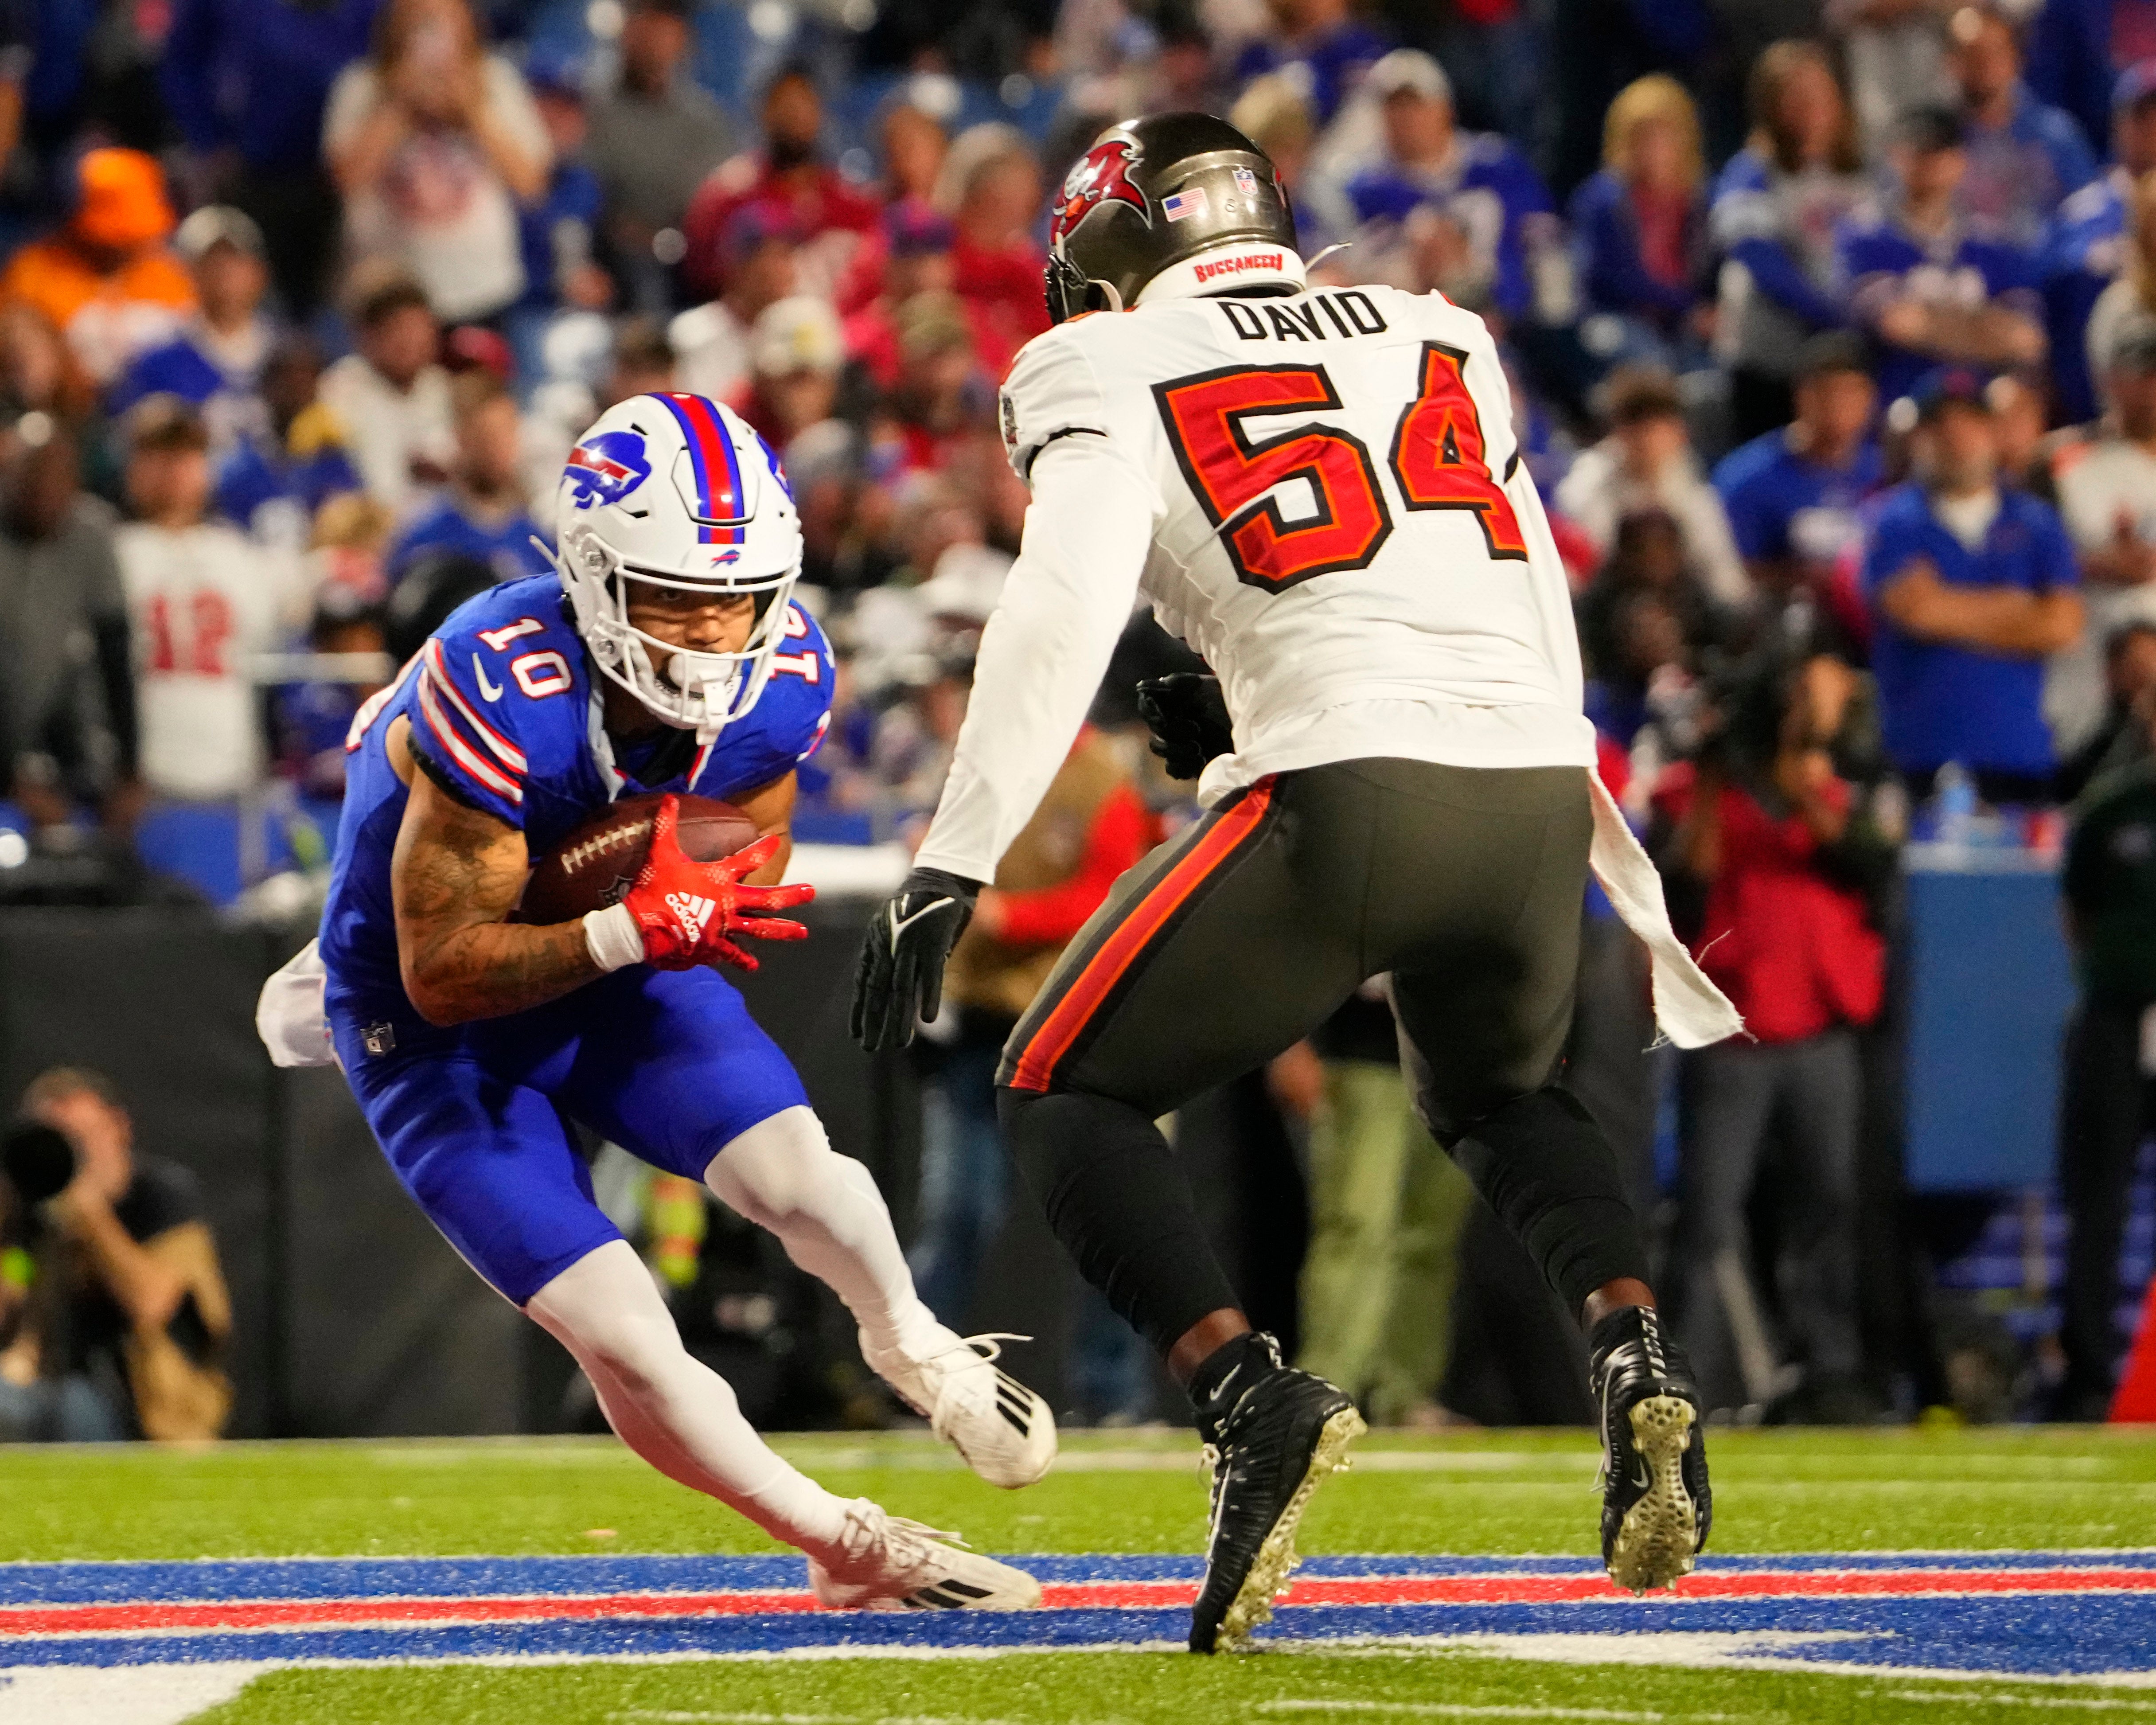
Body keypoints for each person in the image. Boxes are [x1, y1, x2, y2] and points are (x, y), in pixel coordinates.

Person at [849, 113, 1740, 1655]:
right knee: (1500, 1097)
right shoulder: (1439, 331)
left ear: (1114, 251)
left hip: (1349, 779)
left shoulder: (1099, 360)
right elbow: (1519, 589)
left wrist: (954, 853)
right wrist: (1590, 839)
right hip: (1529, 778)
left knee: (1062, 1086)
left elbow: (1056, 604)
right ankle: (1634, 1356)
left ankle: (1249, 1400)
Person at [268, 390, 1054, 1612]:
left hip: (611, 956)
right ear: (589, 576)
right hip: (427, 1015)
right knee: (624, 1331)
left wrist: (684, 900)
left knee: (803, 1171)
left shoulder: (786, 669)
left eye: (738, 594)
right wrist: (628, 916)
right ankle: (844, 1544)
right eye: (676, 594)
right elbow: (443, 967)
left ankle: (904, 1331)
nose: (714, 630)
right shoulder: (501, 678)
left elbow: (754, 850)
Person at [1654, 652, 1892, 1422]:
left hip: (1821, 1026)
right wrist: (1722, 768)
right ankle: (1674, 1382)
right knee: (1707, 1213)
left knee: (1828, 1204)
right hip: (1737, 1030)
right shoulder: (1701, 795)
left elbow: (1866, 862)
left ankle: (1831, 1368)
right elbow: (1687, 884)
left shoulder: (1825, 788)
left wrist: (1792, 761)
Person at [1861, 367, 2084, 803]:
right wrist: (2019, 608)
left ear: (1992, 432)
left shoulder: (2036, 523)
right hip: (1917, 755)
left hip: (2019, 753)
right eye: (1939, 426)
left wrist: (1947, 605)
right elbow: (1915, 612)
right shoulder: (1890, 520)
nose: (1955, 438)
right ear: (1916, 438)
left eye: (1969, 423)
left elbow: (2061, 626)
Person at [0, 1067, 232, 1442]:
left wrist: (92, 1216)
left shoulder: (158, 1197)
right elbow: (14, 1291)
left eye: (82, 1138)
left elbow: (154, 1302)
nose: (72, 1153)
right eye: (56, 1141)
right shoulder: (33, 1210)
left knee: (72, 1409)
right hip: (42, 1385)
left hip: (147, 1400)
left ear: (118, 1128)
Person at [114, 396, 299, 803]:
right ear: (133, 468)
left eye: (186, 456)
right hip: (145, 776)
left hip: (232, 769)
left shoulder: (237, 555)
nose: (173, 470)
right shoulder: (113, 552)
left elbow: (266, 656)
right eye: (159, 456)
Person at [322, 0, 551, 324]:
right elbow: (345, 181)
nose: (432, 29)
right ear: (396, 25)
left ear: (466, 23)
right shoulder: (361, 84)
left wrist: (473, 112)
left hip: (479, 290)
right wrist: (398, 106)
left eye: (443, 17)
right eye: (419, 18)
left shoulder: (497, 79)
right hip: (385, 294)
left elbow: (532, 184)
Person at [2055, 706, 2156, 1417]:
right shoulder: (2113, 807)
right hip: (2119, 1016)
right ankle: (2089, 1372)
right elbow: (2076, 913)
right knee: (2100, 1196)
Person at [158, 0, 380, 318]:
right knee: (251, 308)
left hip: (348, 179)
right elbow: (181, 61)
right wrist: (209, 139)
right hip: (251, 170)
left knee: (337, 313)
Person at [1710, 42, 1872, 443]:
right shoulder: (1750, 173)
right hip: (1770, 366)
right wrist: (1840, 312)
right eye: (1794, 95)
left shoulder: (1866, 171)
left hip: (1848, 368)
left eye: (1818, 91)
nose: (1810, 105)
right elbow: (1756, 257)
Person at [1836, 105, 2047, 412]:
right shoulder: (1864, 236)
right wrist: (1983, 327)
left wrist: (1929, 321)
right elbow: (1897, 323)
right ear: (1894, 156)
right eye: (1918, 151)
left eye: (1940, 151)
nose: (1930, 163)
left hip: (1981, 415)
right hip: (1897, 411)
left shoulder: (1992, 242)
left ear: (1961, 161)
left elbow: (2026, 339)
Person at [1340, 50, 1561, 328]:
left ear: (1446, 109)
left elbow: (1545, 244)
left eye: (1417, 105)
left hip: (1516, 324)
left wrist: (1546, 317)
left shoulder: (1497, 166)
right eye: (1395, 107)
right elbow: (1355, 274)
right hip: (1415, 329)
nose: (1407, 118)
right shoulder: (1363, 189)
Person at [0, 419, 140, 829]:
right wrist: (11, 784)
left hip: (47, 729)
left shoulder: (91, 532)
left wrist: (129, 772)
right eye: (32, 474)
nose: (45, 489)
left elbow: (115, 654)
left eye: (58, 475)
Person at [1712, 331, 1882, 656]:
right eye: (1826, 393)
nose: (1838, 406)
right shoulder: (1746, 478)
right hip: (1785, 633)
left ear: (1869, 400)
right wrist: (1803, 578)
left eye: (1850, 393)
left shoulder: (1884, 473)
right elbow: (1727, 572)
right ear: (1801, 396)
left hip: (1871, 625)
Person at [1554, 366, 1749, 608]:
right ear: (1618, 430)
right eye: (1635, 425)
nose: (1646, 438)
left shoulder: (1692, 490)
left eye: (1655, 425)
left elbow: (1725, 580)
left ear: (1678, 432)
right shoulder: (1588, 484)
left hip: (1681, 615)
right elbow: (1577, 576)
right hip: (1605, 615)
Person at [681, 67, 878, 304]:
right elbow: (703, 279)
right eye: (784, 104)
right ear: (763, 112)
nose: (795, 115)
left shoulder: (854, 203)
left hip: (841, 333)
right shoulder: (729, 194)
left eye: (805, 104)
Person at [0, 148, 196, 387]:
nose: (130, 245)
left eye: (138, 235)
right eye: (121, 235)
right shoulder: (35, 273)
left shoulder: (168, 276)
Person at [584, 0, 733, 314]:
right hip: (609, 253)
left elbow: (713, 202)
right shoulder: (591, 106)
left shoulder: (705, 119)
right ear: (626, 31)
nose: (656, 39)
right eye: (646, 24)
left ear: (684, 39)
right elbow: (583, 191)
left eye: (666, 28)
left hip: (687, 256)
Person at [2049, 331, 2156, 755]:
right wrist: (2091, 564)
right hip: (2098, 658)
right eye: (2142, 375)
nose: (2151, 388)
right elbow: (2019, 558)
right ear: (2110, 380)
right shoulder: (2062, 463)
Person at [1567, 75, 1712, 371]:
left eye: (1665, 136)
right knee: (1643, 357)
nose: (1654, 148)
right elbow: (1613, 279)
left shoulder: (1702, 198)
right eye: (1643, 136)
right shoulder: (1599, 201)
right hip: (1618, 318)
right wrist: (1688, 308)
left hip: (1685, 322)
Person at [110, 207, 278, 461]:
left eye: (234, 260)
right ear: (187, 272)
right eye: (211, 262)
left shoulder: (287, 353)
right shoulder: (157, 362)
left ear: (259, 272)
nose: (224, 272)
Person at [2043, 60, 2156, 424]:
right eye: (2142, 117)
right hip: (2097, 409)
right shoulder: (2082, 213)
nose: (2153, 129)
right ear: (2119, 123)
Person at [1950, 3, 2099, 250]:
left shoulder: (2055, 133)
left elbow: (2090, 209)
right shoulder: (1936, 138)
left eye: (1995, 53)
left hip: (2048, 274)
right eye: (1973, 55)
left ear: (2016, 59)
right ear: (1952, 64)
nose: (1985, 65)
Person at [384, 371, 548, 586]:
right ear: (460, 439)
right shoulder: (426, 541)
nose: (499, 452)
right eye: (486, 437)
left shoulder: (537, 541)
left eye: (507, 434)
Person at [318, 270, 453, 518]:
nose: (411, 342)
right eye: (398, 330)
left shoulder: (443, 389)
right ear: (365, 336)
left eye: (419, 329)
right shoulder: (341, 389)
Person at [216, 336, 364, 552]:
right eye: (288, 379)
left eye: (308, 379)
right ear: (267, 386)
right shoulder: (239, 463)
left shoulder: (335, 459)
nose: (298, 390)